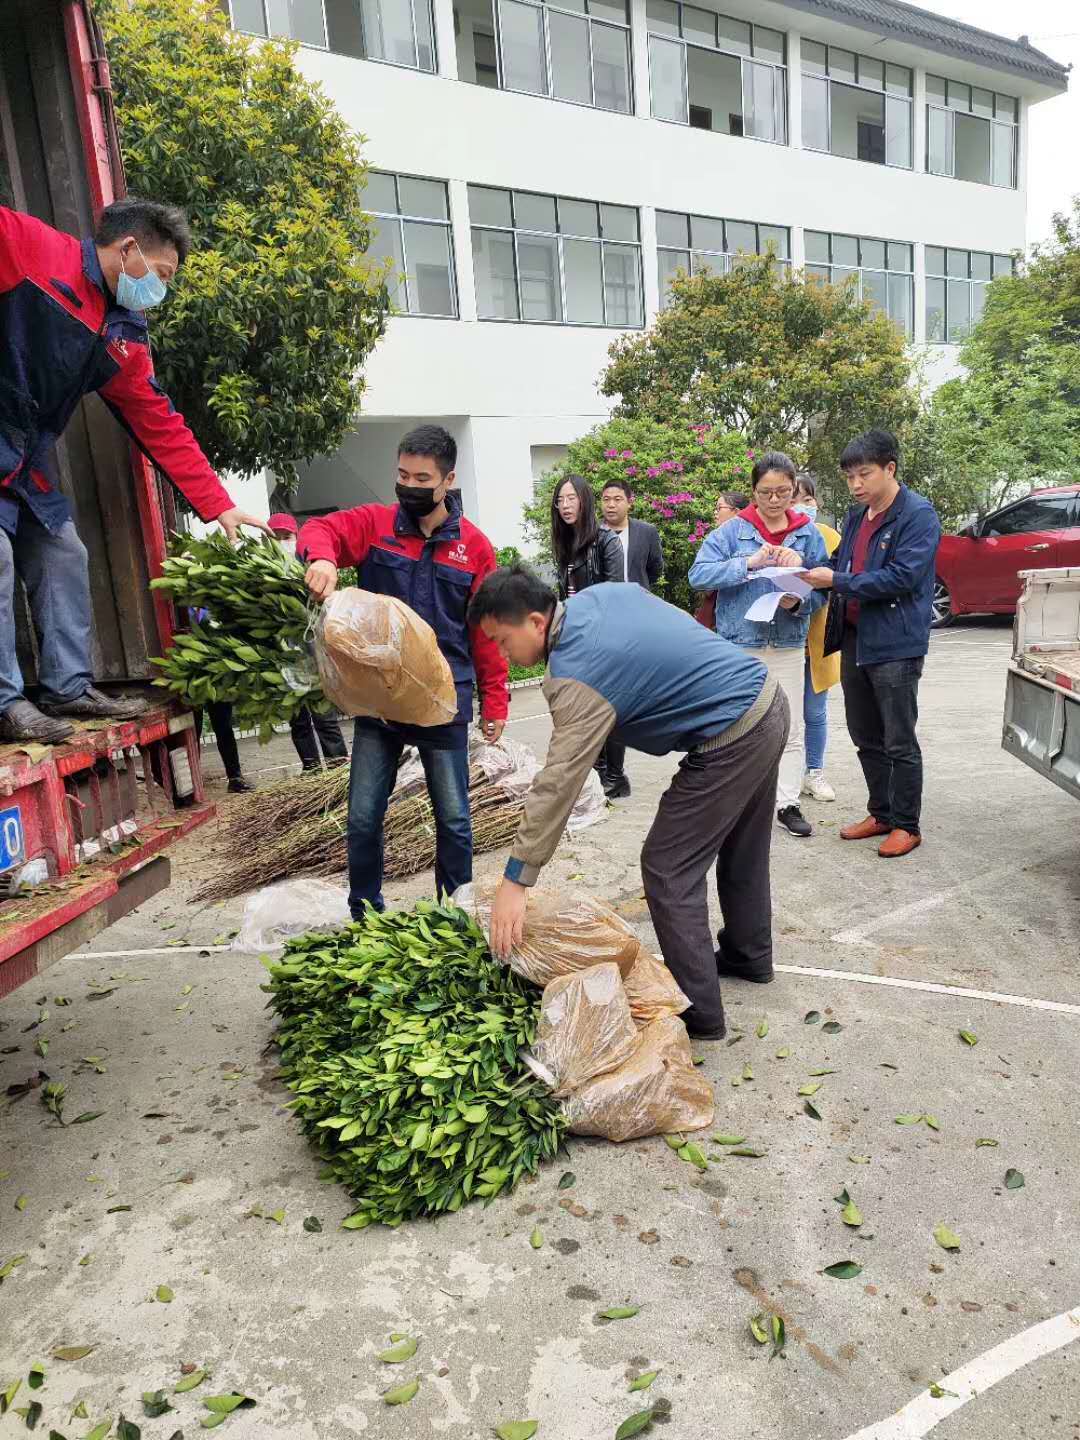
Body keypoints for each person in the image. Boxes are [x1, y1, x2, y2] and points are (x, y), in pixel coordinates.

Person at [471, 564, 789, 1038]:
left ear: (537, 622)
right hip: (766, 702)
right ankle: (750, 956)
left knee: (667, 866)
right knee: (742, 846)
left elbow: (558, 784)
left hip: (732, 734)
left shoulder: (576, 674)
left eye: (501, 639)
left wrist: (516, 881)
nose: (501, 653)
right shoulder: (598, 597)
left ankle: (698, 1013)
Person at [0, 197, 267, 745]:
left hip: (25, 452)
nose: (160, 290)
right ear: (128, 249)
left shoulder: (124, 330)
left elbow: (156, 418)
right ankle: (4, 702)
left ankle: (66, 686)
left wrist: (217, 504)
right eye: (161, 274)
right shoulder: (28, 247)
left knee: (63, 551)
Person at [300, 425, 509, 916]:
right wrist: (324, 559)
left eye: (421, 477)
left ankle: (453, 915)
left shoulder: (474, 549)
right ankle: (365, 913)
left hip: (443, 698)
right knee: (364, 816)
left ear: (448, 480)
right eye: (401, 474)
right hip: (382, 697)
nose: (408, 485)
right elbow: (320, 530)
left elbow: (487, 632)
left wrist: (494, 700)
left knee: (454, 819)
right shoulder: (376, 525)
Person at [801, 429, 941, 858]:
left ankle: (907, 824)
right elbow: (840, 564)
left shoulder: (918, 515)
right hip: (856, 639)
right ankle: (880, 812)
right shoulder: (856, 516)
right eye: (850, 477)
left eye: (864, 474)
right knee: (865, 735)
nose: (856, 484)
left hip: (896, 642)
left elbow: (902, 577)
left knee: (899, 738)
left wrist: (836, 579)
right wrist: (805, 576)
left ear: (890, 468)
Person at [688, 453, 828, 839]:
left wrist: (797, 597)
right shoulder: (732, 532)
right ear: (753, 492)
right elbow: (698, 575)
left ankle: (787, 803)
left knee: (790, 727)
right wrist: (747, 564)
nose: (774, 500)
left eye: (783, 491)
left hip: (786, 643)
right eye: (766, 492)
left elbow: (824, 589)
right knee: (733, 725)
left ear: (793, 489)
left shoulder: (808, 534)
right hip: (739, 643)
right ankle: (732, 803)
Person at [550, 475, 628, 798]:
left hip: (604, 636)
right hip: (577, 637)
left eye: (571, 498)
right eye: (560, 500)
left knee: (608, 707)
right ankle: (595, 772)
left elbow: (615, 595)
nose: (565, 506)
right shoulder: (565, 544)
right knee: (583, 708)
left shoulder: (606, 541)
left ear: (584, 500)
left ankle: (615, 775)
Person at [267, 512, 348, 772]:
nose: (282, 542)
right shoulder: (264, 576)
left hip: (314, 656)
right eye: (276, 538)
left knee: (325, 717)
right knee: (298, 721)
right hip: (284, 658)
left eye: (287, 537)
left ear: (296, 536)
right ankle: (311, 771)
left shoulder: (313, 568)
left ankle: (340, 770)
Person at [792, 476, 842, 804]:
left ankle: (814, 771)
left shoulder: (831, 537)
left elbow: (842, 582)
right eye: (796, 499)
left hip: (819, 639)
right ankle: (783, 776)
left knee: (815, 712)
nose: (803, 506)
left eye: (808, 499)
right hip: (784, 641)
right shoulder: (775, 538)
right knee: (781, 714)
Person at [600, 479, 664, 590]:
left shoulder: (647, 532)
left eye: (617, 499)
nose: (611, 505)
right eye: (606, 500)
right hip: (601, 601)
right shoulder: (591, 533)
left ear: (629, 503)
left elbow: (655, 569)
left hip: (636, 600)